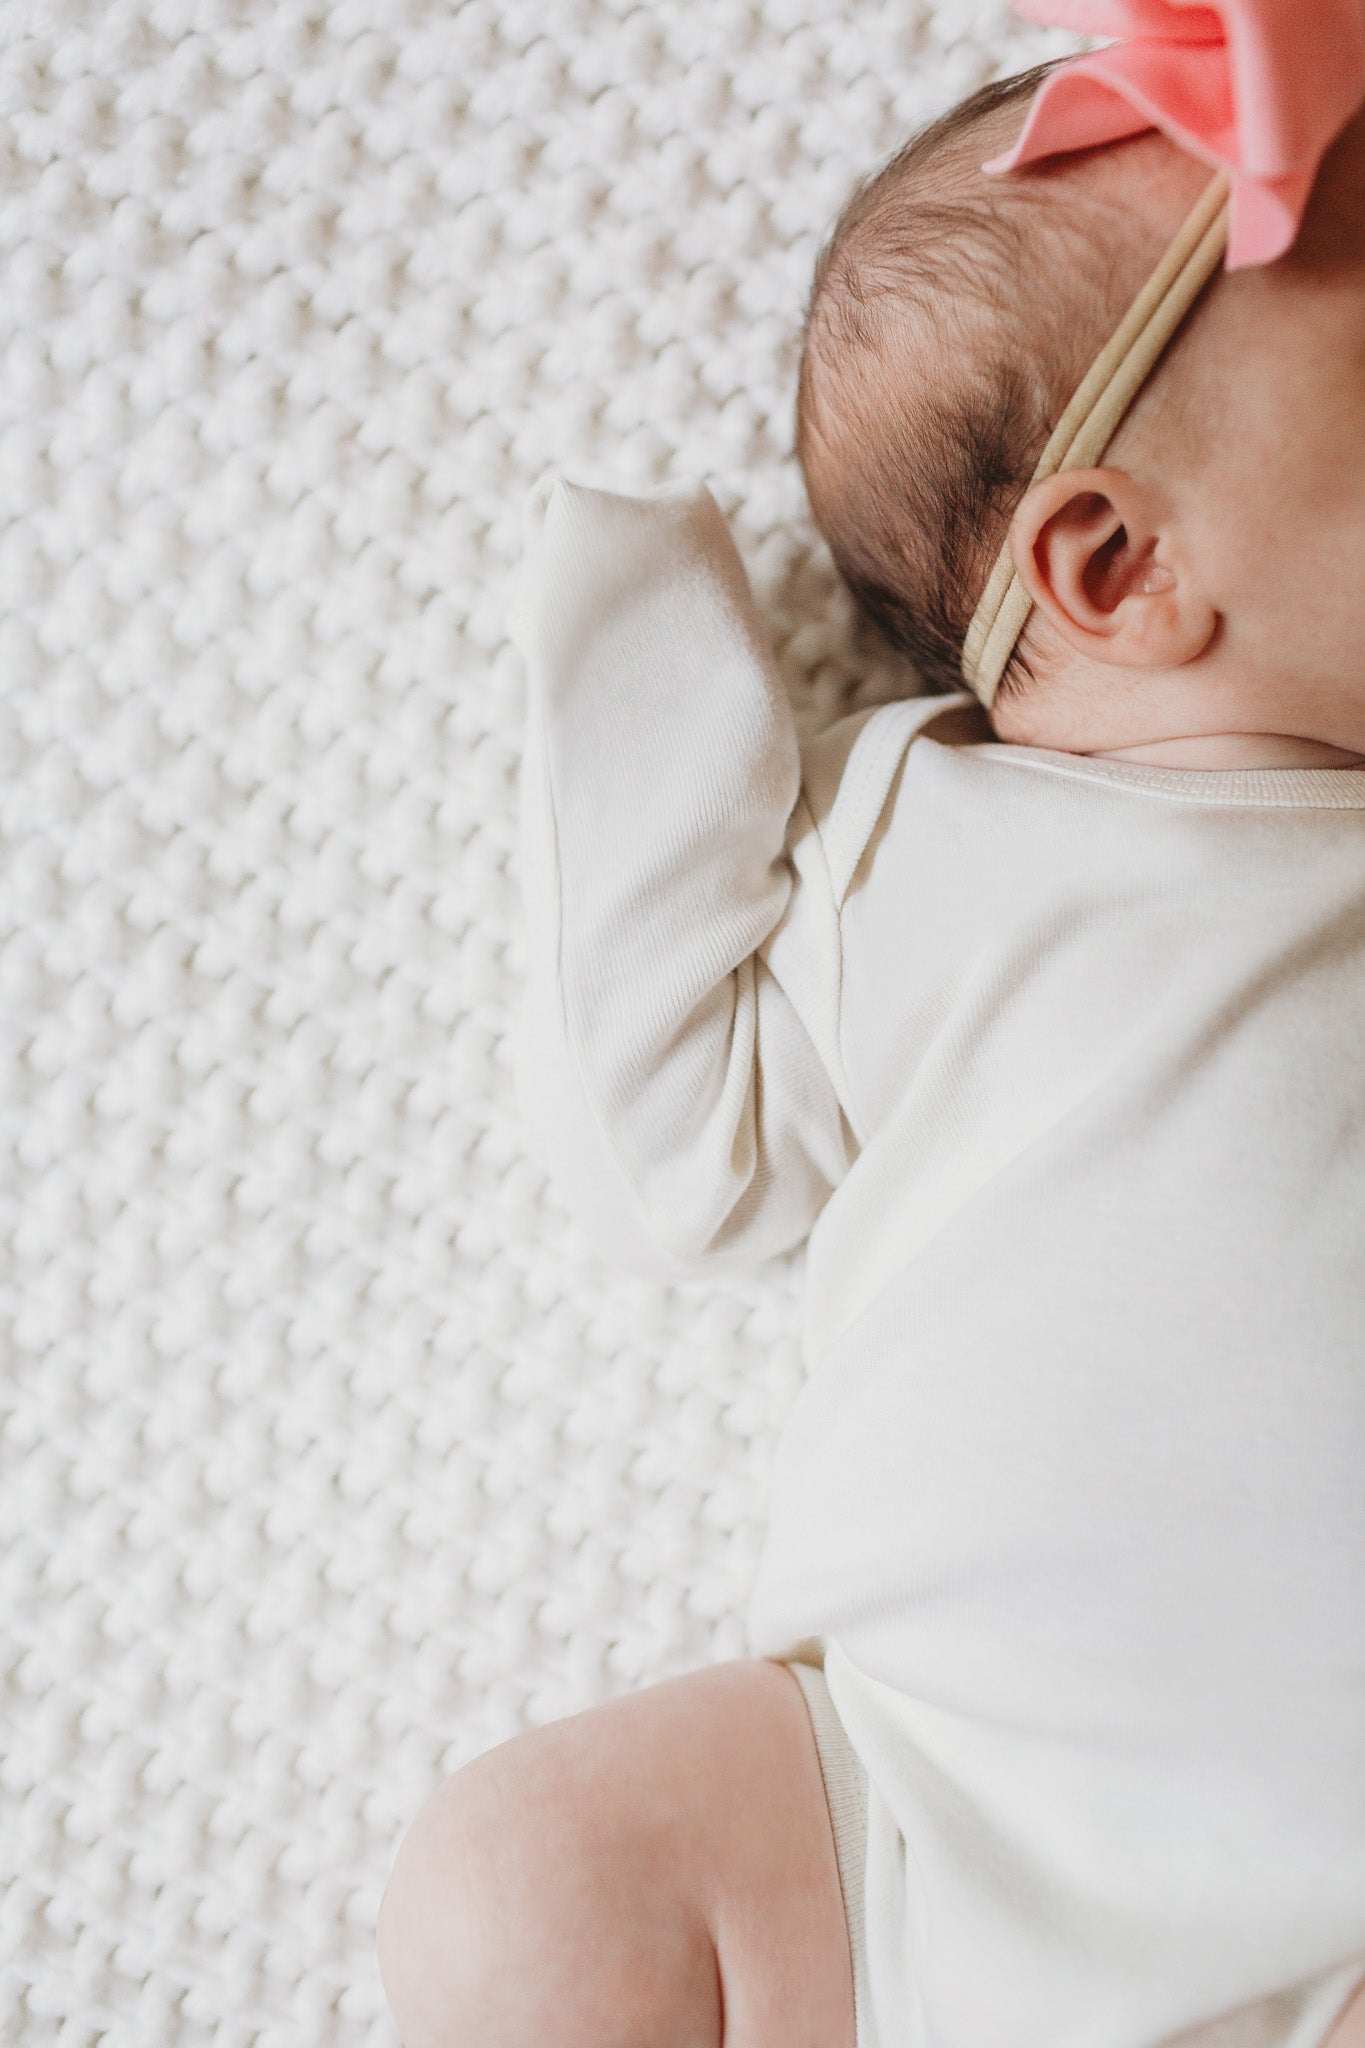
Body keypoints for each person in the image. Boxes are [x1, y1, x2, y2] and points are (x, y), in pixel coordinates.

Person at [376, 42, 1365, 2048]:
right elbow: (672, 1157)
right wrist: (643, 661)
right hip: (920, 1817)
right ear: (1112, 567)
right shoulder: (911, 845)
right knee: (519, 1880)